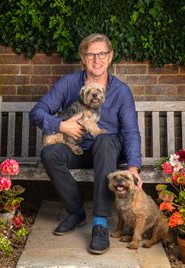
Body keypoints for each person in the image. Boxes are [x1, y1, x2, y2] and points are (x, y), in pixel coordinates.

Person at [29, 33, 142, 255]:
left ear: (110, 57)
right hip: (76, 147)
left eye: (102, 54)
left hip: (108, 152)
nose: (96, 60)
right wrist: (61, 126)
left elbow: (130, 132)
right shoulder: (68, 84)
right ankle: (76, 212)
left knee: (106, 139)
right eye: (90, 54)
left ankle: (100, 222)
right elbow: (37, 113)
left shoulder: (121, 91)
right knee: (50, 153)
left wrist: (133, 166)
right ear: (82, 58)